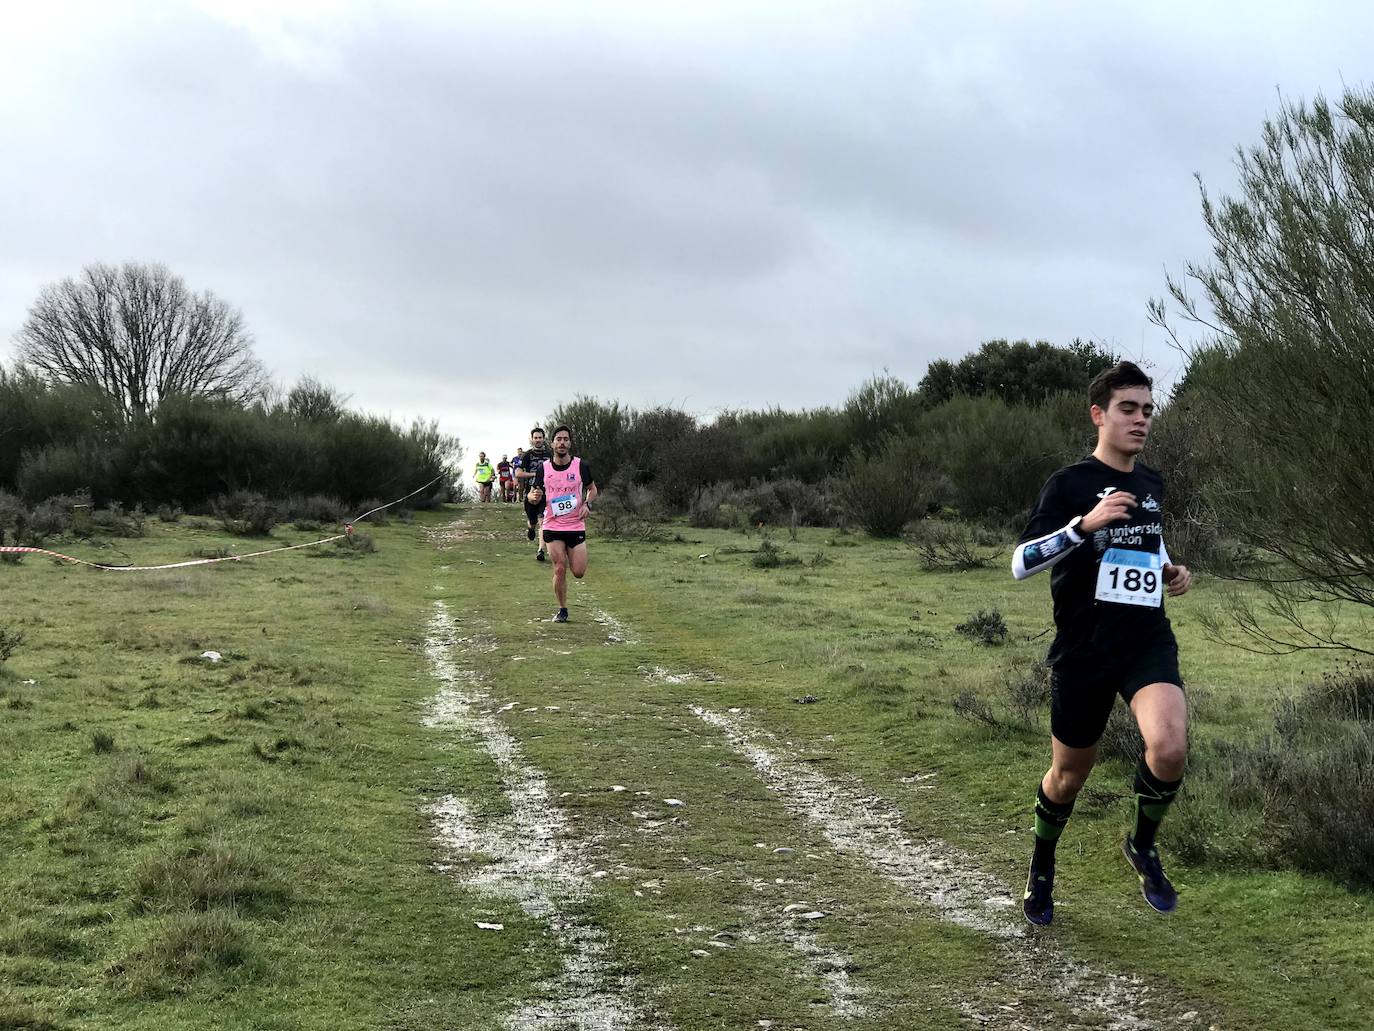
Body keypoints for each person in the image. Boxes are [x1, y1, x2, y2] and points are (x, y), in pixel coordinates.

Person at [1011, 360, 1192, 927]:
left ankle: (1141, 845)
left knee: (1169, 748)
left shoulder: (1151, 483)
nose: (1141, 420)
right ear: (1099, 415)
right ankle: (1043, 863)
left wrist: (1169, 571)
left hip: (1144, 639)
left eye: (1147, 410)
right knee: (1068, 776)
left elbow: (1148, 541)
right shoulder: (1067, 484)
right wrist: (1081, 527)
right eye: (1128, 409)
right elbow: (1020, 562)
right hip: (1084, 648)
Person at [526, 426, 598, 623]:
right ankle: (562, 609)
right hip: (552, 524)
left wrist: (587, 504)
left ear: (570, 443)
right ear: (552, 444)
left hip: (575, 525)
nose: (562, 443)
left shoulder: (581, 466)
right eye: (558, 439)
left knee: (579, 572)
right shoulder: (544, 469)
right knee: (559, 567)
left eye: (566, 439)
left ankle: (571, 559)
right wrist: (533, 496)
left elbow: (592, 489)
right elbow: (533, 495)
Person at [515, 427, 551, 561]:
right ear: (532, 439)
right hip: (530, 493)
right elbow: (518, 473)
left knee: (544, 521)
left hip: (546, 492)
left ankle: (540, 550)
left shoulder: (550, 454)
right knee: (533, 521)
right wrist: (535, 474)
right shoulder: (527, 455)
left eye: (540, 437)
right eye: (535, 438)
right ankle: (530, 528)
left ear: (543, 438)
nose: (538, 440)